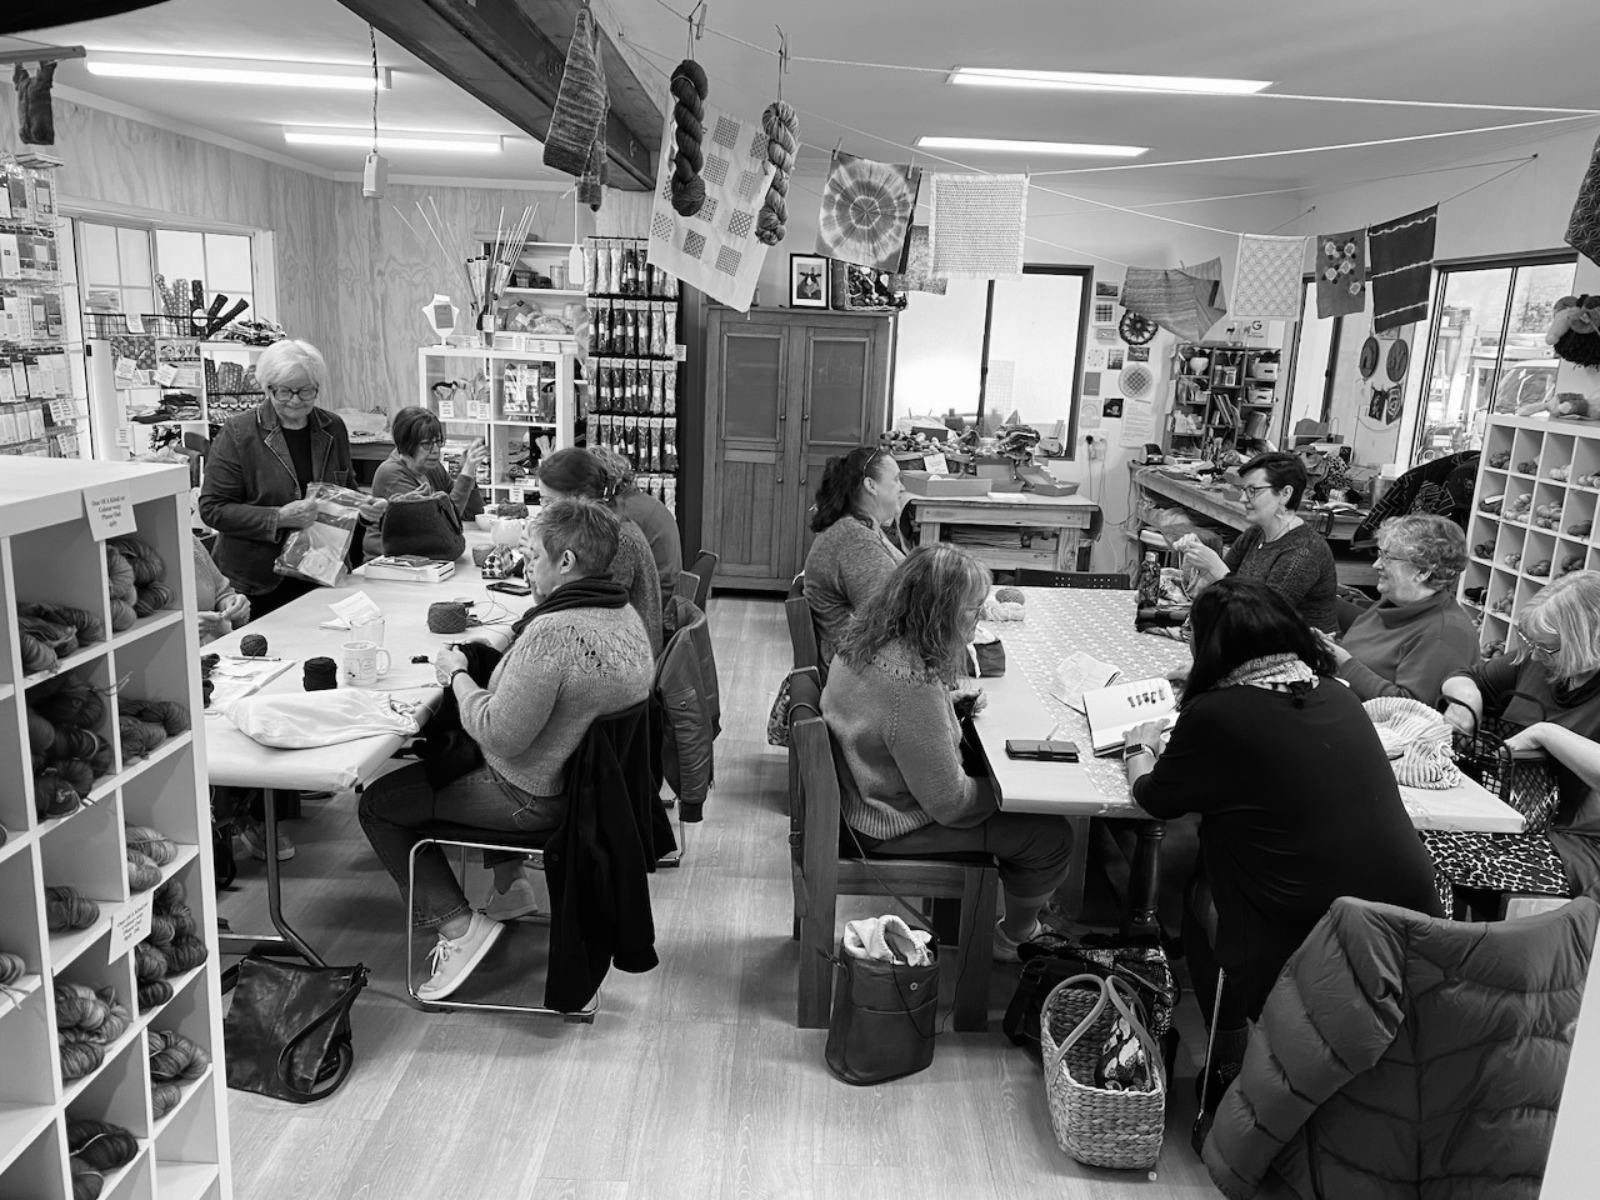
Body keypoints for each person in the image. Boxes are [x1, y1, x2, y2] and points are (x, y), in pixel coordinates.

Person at [1125, 577, 1440, 1100]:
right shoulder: (1336, 695)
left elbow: (1157, 799)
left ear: (1210, 649)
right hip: (1404, 919)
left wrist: (1140, 750)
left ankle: (1228, 1067)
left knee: (1196, 892)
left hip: (1305, 925)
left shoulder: (1217, 714)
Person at [357, 500, 655, 1000]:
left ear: (566, 562)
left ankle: (458, 929)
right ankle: (510, 885)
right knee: (452, 757)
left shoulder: (554, 632)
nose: (527, 567)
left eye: (534, 555)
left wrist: (455, 678)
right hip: (586, 798)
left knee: (378, 803)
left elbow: (498, 733)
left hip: (531, 798)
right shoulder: (621, 615)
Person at [821, 544, 1074, 962]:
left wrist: (945, 707)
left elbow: (887, 719)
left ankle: (1008, 910)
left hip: (859, 802)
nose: (977, 622)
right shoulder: (910, 682)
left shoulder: (867, 641)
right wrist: (1008, 788)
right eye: (972, 611)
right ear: (939, 612)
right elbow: (950, 804)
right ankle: (1015, 936)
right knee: (1050, 836)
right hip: (885, 824)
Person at [199, 339, 386, 617]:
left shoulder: (332, 427)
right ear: (267, 388)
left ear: (317, 388)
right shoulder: (239, 433)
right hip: (257, 583)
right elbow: (212, 509)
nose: (296, 400)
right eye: (285, 391)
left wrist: (365, 509)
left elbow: (343, 492)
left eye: (305, 391)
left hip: (319, 572)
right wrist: (279, 517)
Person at [1440, 571, 1600, 896]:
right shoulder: (1538, 661)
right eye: (1532, 643)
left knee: (1435, 857)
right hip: (1507, 818)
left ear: (1589, 643)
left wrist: (1545, 735)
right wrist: (1466, 701)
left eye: (1549, 648)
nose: (1536, 654)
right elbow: (1464, 677)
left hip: (1576, 844)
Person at [1316, 514, 1477, 704]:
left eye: (1388, 558)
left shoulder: (1445, 633)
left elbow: (1410, 708)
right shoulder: (1390, 607)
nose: (1376, 565)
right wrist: (1331, 648)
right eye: (1379, 554)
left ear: (1423, 572)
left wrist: (1343, 662)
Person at [1177, 451, 1339, 632]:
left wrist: (1215, 567)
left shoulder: (1304, 551)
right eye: (1244, 490)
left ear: (1285, 493)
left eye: (1253, 491)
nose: (1243, 498)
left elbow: (1263, 619)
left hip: (1299, 653)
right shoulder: (1255, 534)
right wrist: (1200, 562)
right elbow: (1222, 591)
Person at [537, 448, 663, 655]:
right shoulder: (597, 529)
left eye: (550, 502)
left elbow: (589, 618)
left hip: (626, 660)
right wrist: (535, 565)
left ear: (579, 498)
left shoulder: (616, 541)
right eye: (542, 501)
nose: (544, 511)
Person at [803, 446, 907, 663]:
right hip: (861, 673)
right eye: (896, 479)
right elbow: (889, 619)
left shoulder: (861, 528)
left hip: (862, 665)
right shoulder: (855, 541)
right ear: (871, 485)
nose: (902, 487)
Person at [361, 406, 486, 558]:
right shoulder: (391, 473)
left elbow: (472, 514)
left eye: (438, 442)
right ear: (407, 444)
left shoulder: (430, 466)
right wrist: (465, 475)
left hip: (425, 556)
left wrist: (468, 473)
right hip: (389, 561)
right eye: (427, 444)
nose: (435, 450)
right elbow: (441, 526)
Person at [590, 446, 682, 610]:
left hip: (650, 608)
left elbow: (610, 583)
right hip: (662, 599)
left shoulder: (623, 515)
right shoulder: (640, 503)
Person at [192, 538, 250, 646]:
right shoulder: (150, 560)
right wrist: (181, 629)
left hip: (218, 648)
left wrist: (233, 604)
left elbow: (222, 593)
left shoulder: (190, 542)